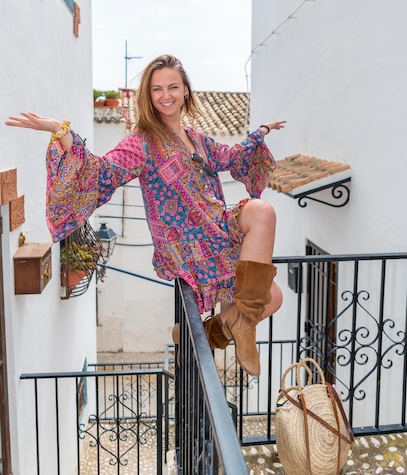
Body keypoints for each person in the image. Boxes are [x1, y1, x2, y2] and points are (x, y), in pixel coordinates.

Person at [6, 54, 286, 377]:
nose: (165, 95)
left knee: (265, 226)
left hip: (218, 230)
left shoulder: (196, 138)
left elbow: (232, 156)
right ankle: (229, 327)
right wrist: (61, 130)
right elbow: (102, 170)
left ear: (185, 91)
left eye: (172, 87)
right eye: (157, 89)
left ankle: (214, 331)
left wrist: (262, 130)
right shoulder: (142, 144)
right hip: (189, 247)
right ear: (148, 96)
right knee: (270, 293)